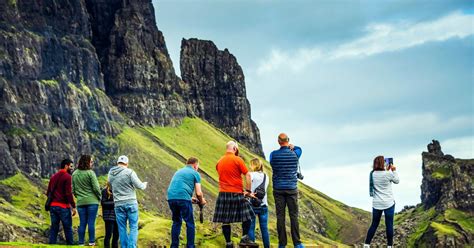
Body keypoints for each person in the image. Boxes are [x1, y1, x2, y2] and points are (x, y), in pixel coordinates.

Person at [213, 141, 257, 248]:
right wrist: (248, 191)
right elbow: (248, 176)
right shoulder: (238, 159)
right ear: (235, 149)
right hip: (236, 193)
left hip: (223, 194)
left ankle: (228, 243)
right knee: (248, 216)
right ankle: (244, 238)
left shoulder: (219, 162)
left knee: (225, 220)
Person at [269, 133, 304, 248]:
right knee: (294, 215)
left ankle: (282, 244)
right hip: (291, 189)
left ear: (278, 142)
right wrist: (292, 146)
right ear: (287, 141)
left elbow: (272, 163)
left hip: (278, 189)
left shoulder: (273, 155)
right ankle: (297, 243)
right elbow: (300, 149)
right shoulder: (295, 153)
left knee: (280, 216)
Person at [167, 157, 207, 248]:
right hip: (183, 198)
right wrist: (202, 201)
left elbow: (178, 188)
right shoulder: (195, 173)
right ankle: (190, 246)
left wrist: (189, 198)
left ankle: (174, 246)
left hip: (171, 198)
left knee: (176, 222)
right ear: (195, 165)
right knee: (190, 223)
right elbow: (199, 193)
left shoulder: (178, 171)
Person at [108, 155, 148, 248]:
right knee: (133, 226)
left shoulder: (111, 173)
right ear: (127, 163)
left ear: (117, 163)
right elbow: (140, 186)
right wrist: (144, 184)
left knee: (122, 228)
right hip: (131, 202)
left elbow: (110, 186)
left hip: (118, 204)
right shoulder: (130, 172)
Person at [364, 156, 400, 248]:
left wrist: (387, 171)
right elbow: (397, 181)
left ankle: (366, 245)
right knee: (389, 225)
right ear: (381, 163)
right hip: (389, 203)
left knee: (374, 224)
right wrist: (394, 170)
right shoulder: (388, 174)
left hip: (377, 203)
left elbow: (382, 175)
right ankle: (389, 246)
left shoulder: (372, 174)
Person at [72, 155, 101, 246]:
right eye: (91, 162)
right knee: (91, 223)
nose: (92, 163)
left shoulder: (75, 174)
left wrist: (79, 196)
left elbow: (73, 189)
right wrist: (99, 197)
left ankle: (81, 243)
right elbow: (96, 188)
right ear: (87, 162)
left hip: (80, 202)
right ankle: (91, 242)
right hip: (92, 202)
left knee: (82, 223)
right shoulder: (90, 173)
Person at [47, 159, 76, 245]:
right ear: (66, 166)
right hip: (63, 207)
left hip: (53, 206)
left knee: (54, 228)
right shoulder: (67, 177)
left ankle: (52, 245)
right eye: (71, 166)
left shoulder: (53, 177)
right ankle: (70, 245)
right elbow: (68, 193)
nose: (72, 168)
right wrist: (73, 206)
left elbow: (48, 192)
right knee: (67, 228)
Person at [248, 158, 270, 248]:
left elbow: (248, 178)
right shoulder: (266, 176)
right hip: (264, 205)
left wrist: (248, 192)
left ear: (253, 165)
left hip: (252, 204)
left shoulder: (252, 174)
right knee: (264, 229)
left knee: (251, 228)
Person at [101, 182, 119, 248]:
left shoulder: (118, 190)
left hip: (118, 216)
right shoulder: (104, 191)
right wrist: (115, 203)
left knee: (116, 235)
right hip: (109, 216)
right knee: (108, 235)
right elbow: (103, 203)